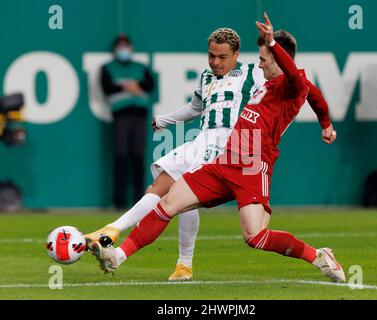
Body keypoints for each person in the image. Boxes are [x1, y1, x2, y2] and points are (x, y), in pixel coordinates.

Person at [91, 13, 345, 283]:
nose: (259, 64)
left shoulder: (292, 86)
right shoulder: (268, 82)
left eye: (264, 59)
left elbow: (301, 82)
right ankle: (118, 255)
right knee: (168, 203)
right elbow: (316, 97)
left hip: (251, 164)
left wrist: (272, 42)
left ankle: (318, 256)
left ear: (280, 57)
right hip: (225, 160)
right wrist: (326, 125)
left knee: (255, 237)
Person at [101, 34, 155, 209]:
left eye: (126, 46)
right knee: (121, 156)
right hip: (121, 116)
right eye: (120, 46)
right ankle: (120, 201)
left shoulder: (140, 67)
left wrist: (135, 86)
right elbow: (107, 87)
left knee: (138, 157)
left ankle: (140, 200)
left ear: (131, 48)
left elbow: (150, 84)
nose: (123, 50)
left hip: (139, 115)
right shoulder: (109, 68)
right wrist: (127, 86)